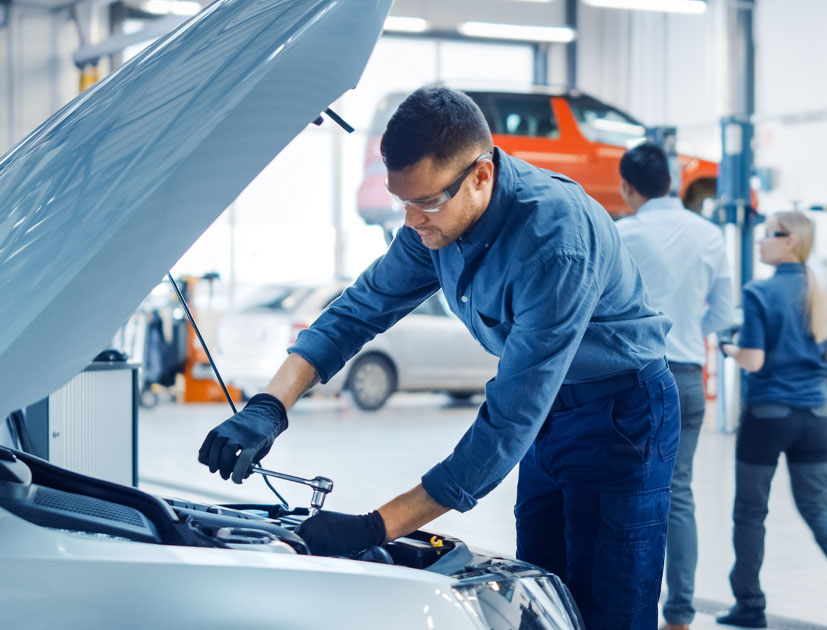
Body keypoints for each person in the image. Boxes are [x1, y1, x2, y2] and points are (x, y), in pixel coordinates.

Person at [196, 85, 680, 629]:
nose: (412, 220)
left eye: (425, 202)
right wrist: (269, 405)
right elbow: (358, 310)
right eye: (403, 202)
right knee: (545, 597)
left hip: (621, 417)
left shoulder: (555, 239)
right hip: (553, 417)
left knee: (608, 610)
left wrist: (374, 528)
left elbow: (508, 421)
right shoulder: (436, 221)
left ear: (481, 174)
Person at [717, 211, 827, 629]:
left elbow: (755, 360)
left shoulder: (760, 291)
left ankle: (749, 605)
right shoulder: (824, 292)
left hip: (767, 416)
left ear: (790, 242)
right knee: (818, 508)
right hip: (815, 416)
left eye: (768, 236)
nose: (760, 243)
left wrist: (727, 349)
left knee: (749, 512)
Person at [615, 143, 738, 630]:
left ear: (626, 187)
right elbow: (723, 315)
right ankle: (680, 614)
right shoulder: (709, 235)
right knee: (678, 493)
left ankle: (629, 608)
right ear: (673, 182)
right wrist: (686, 332)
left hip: (632, 378)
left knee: (626, 491)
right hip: (687, 375)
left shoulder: (621, 234)